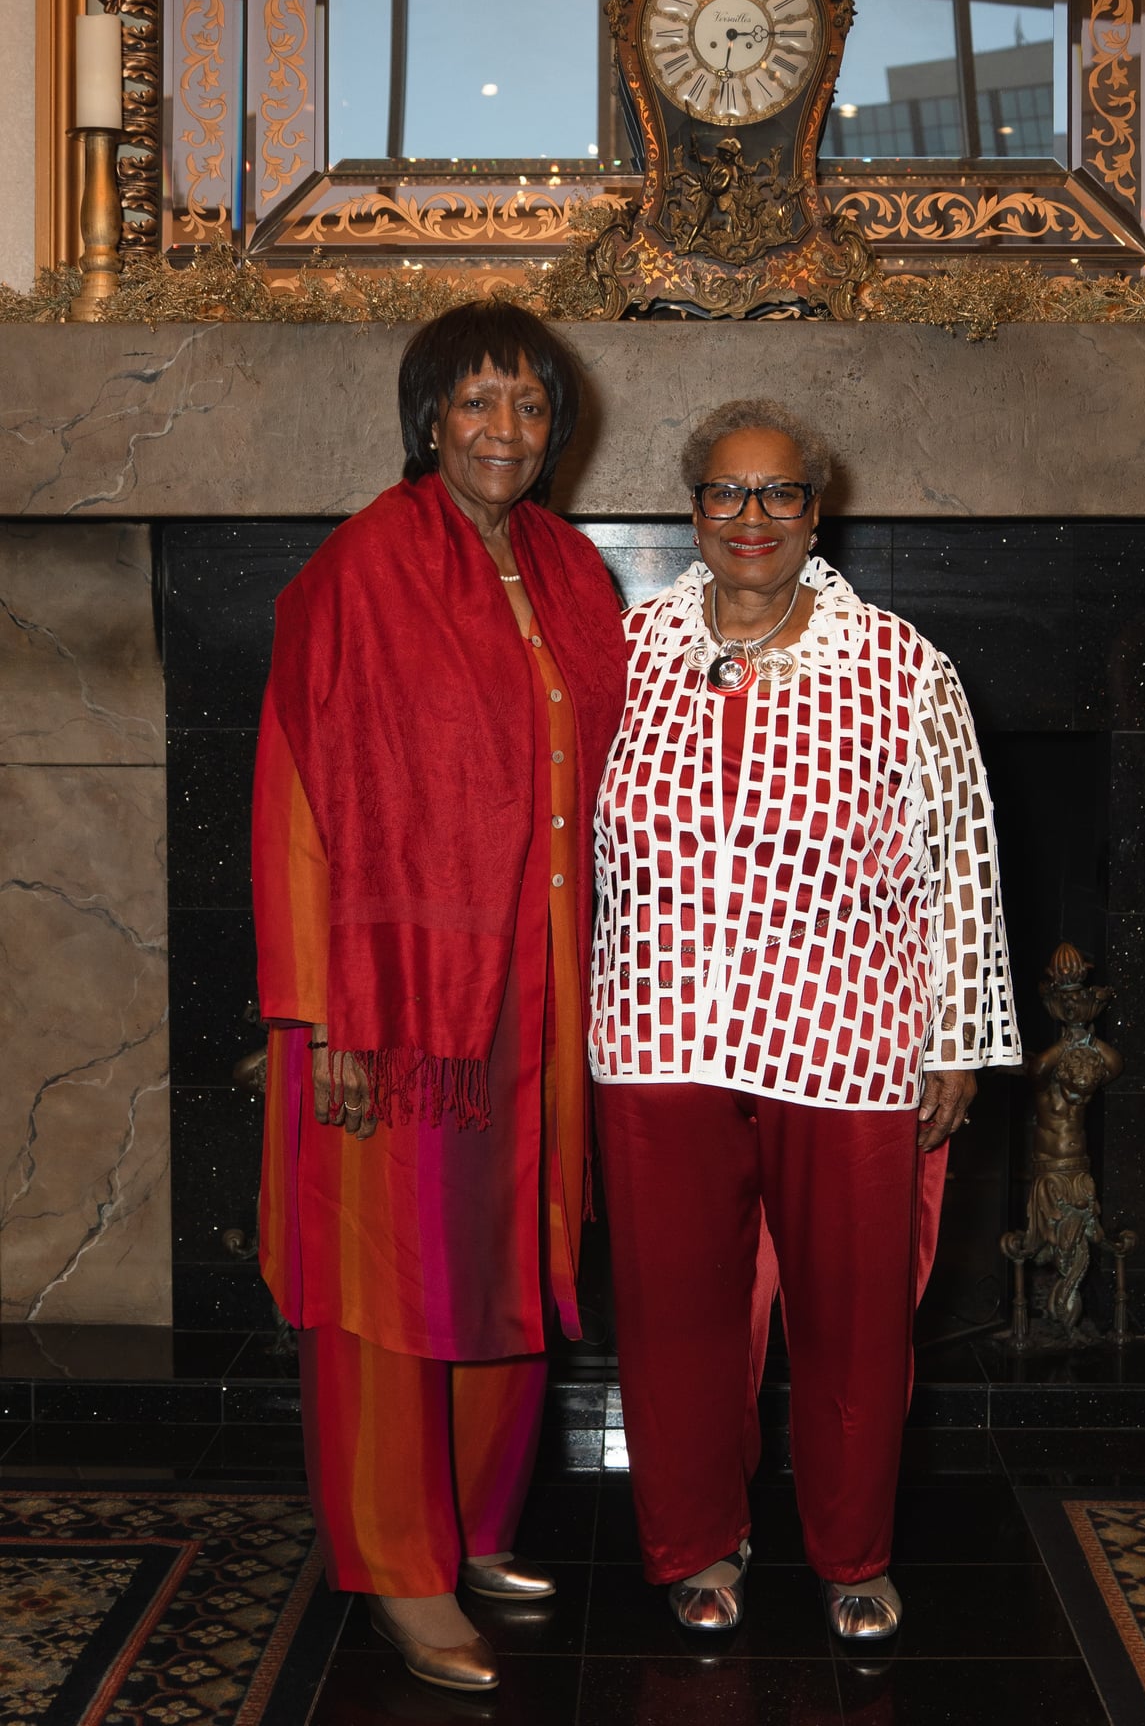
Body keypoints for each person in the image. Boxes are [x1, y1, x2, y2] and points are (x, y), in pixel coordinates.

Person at [590, 397, 1020, 1640]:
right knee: (673, 1317)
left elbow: (958, 858)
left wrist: (954, 1034)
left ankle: (850, 1554)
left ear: (814, 511)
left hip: (846, 1039)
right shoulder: (621, 656)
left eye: (778, 491)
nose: (751, 516)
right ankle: (695, 1543)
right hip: (655, 1036)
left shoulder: (898, 664)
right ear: (691, 510)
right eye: (725, 491)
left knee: (853, 1320)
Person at [252, 302, 625, 1693]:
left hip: (537, 987)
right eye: (475, 401)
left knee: (506, 1258)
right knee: (392, 1284)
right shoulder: (362, 567)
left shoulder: (569, 567)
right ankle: (396, 1564)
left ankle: (473, 1528)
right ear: (427, 418)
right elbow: (296, 798)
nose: (503, 430)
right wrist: (327, 1010)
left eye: (528, 404)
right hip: (394, 1007)